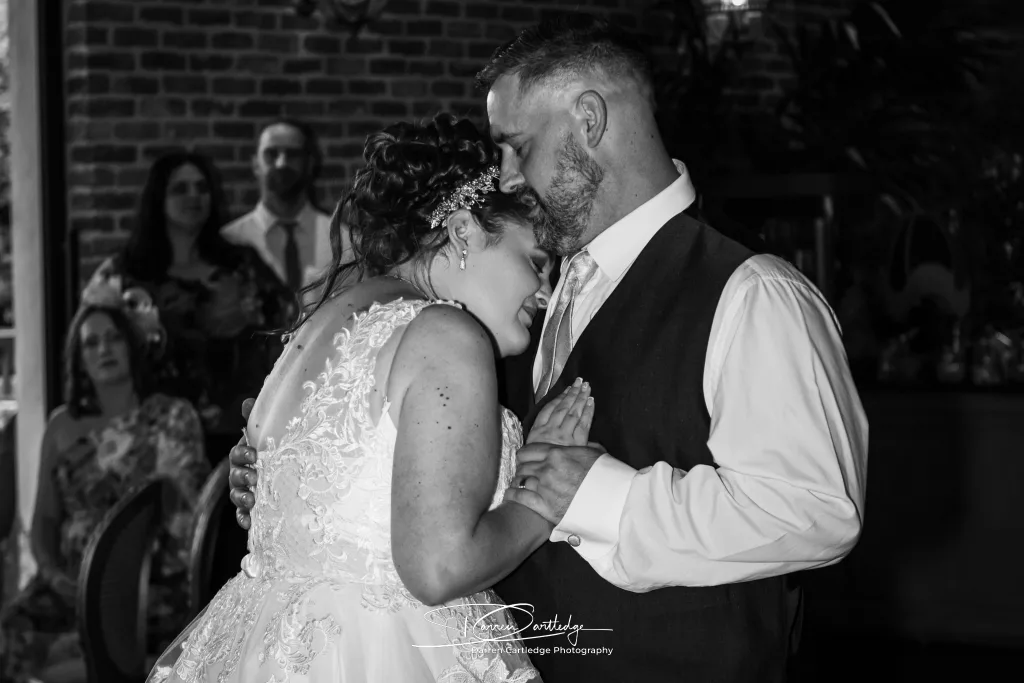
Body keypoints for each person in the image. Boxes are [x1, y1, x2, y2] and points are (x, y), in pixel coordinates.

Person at [228, 13, 870, 683]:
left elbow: (817, 509)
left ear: (588, 120)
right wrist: (304, 475)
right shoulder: (501, 295)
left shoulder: (751, 291)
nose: (505, 177)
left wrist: (601, 496)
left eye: (516, 146)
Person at [147, 113, 587, 683]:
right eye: (536, 262)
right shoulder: (446, 335)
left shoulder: (321, 326)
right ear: (462, 232)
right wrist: (542, 500)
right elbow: (439, 567)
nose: (547, 292)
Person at [0, 299, 208, 683]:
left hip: (147, 584)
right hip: (71, 586)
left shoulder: (172, 416)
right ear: (79, 360)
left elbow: (192, 517)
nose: (104, 349)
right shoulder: (61, 427)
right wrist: (53, 576)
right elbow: (45, 519)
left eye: (113, 338)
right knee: (12, 629)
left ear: (131, 345)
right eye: (91, 343)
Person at [88, 151, 295, 443]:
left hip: (241, 433)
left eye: (202, 187)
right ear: (158, 198)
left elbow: (290, 330)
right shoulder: (124, 274)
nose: (194, 196)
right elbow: (89, 346)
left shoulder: (242, 266)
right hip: (151, 438)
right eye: (180, 189)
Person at [221, 118, 353, 296]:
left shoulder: (346, 243)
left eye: (293, 154)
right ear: (255, 164)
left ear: (309, 163)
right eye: (271, 153)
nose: (281, 163)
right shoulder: (230, 241)